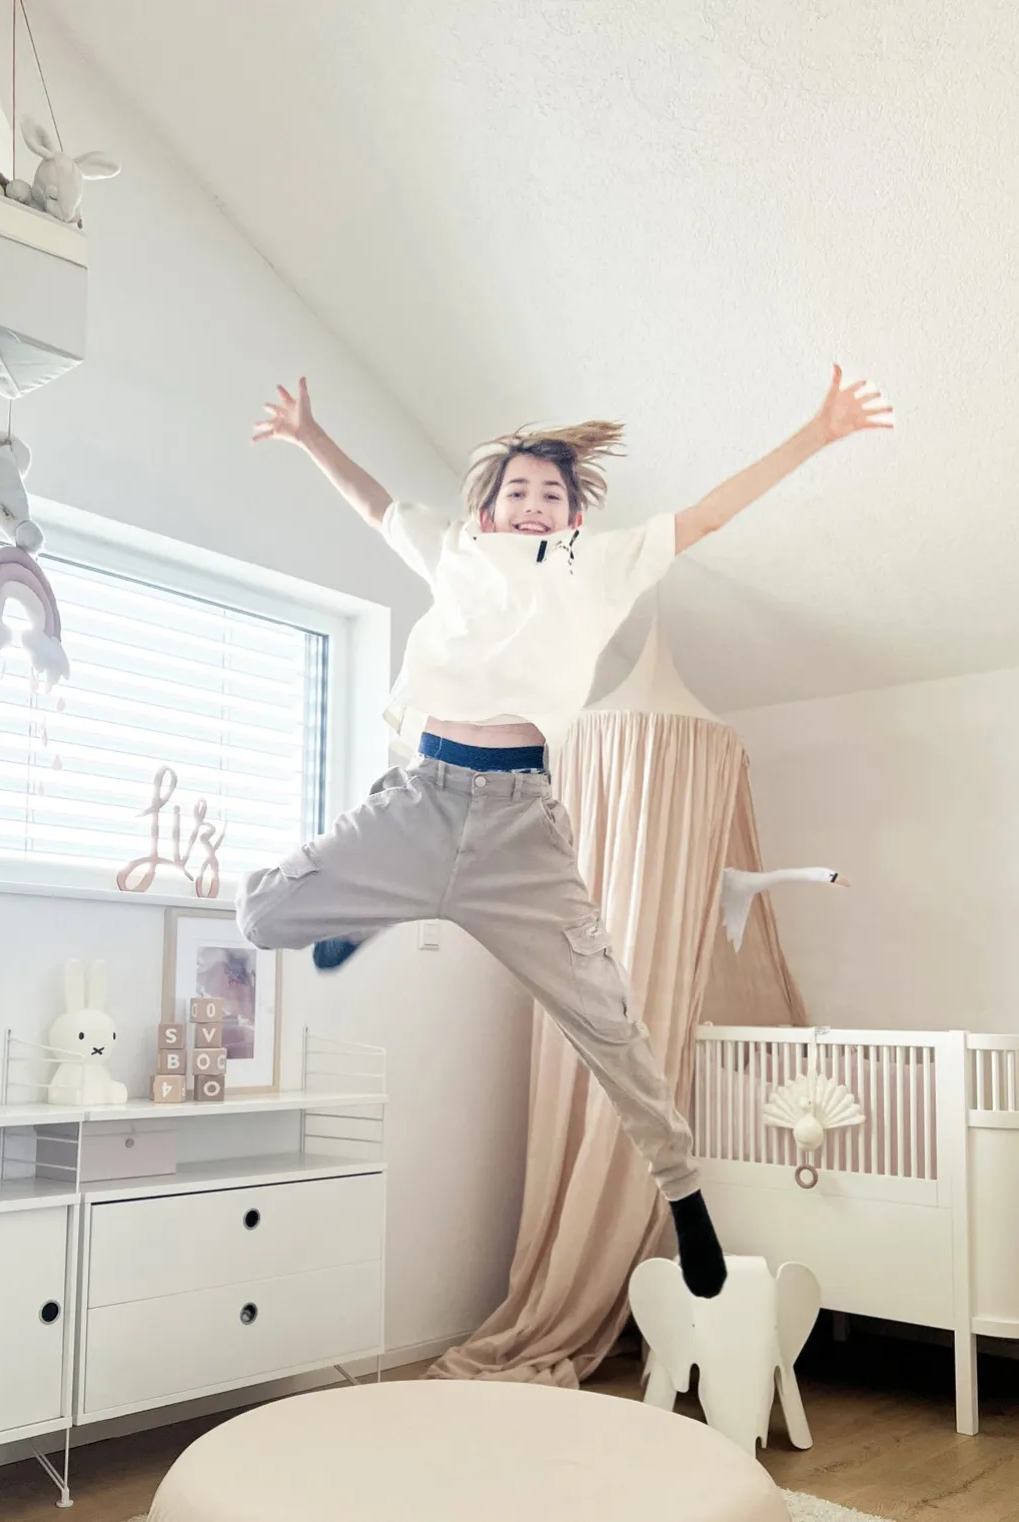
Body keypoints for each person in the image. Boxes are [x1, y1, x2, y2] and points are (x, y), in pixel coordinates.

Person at [238, 368, 892, 1298]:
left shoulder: (601, 566)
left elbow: (708, 515)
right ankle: (366, 910)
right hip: (420, 802)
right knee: (261, 917)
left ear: (574, 516)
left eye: (552, 493)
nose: (534, 503)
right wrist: (310, 435)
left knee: (609, 1024)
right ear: (489, 510)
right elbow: (374, 501)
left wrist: (816, 433)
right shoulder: (457, 551)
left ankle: (685, 1195)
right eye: (518, 491)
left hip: (522, 831)